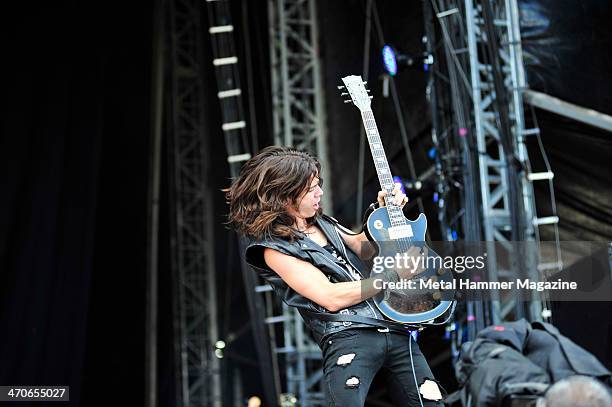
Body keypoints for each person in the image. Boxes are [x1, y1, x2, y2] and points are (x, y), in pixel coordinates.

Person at [225, 146, 444, 406]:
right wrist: (394, 275)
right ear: (284, 195)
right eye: (311, 188)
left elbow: (364, 247)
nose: (320, 193)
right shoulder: (273, 249)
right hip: (349, 336)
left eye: (319, 185)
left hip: (393, 326)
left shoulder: (323, 222)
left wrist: (383, 211)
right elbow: (330, 297)